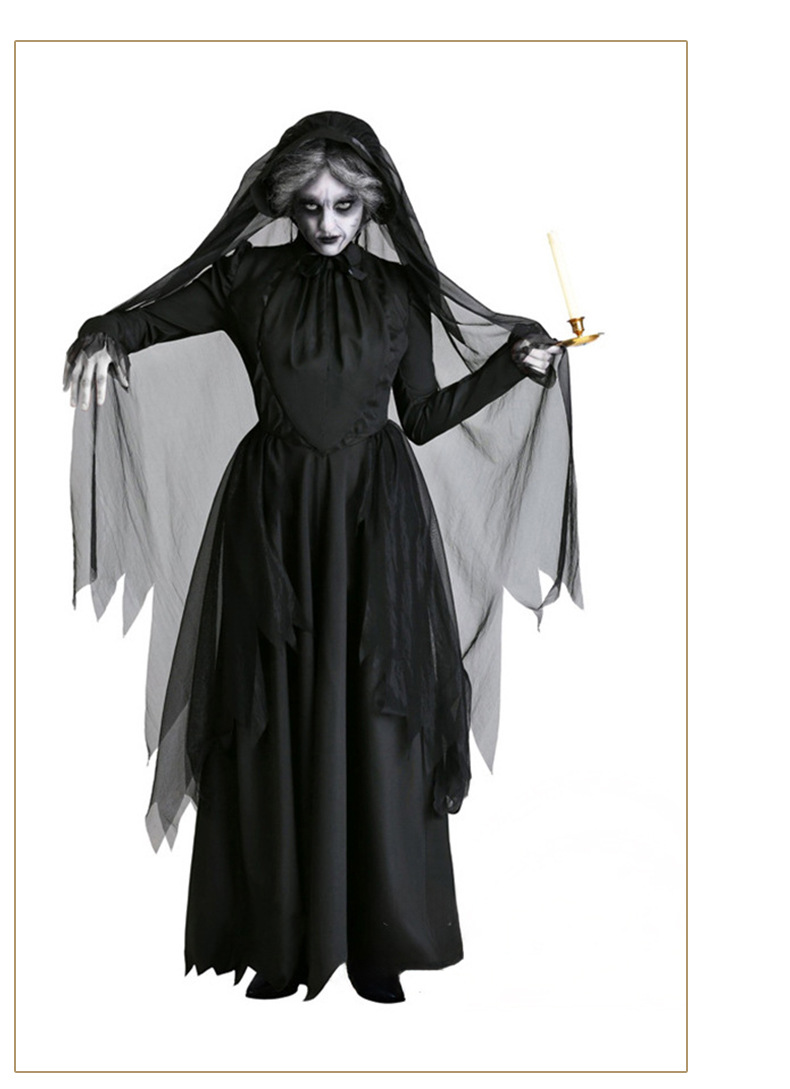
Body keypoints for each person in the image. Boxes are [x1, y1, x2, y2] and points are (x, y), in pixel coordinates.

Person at [63, 111, 582, 1004]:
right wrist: (104, 335)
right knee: (271, 709)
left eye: (344, 205)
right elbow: (145, 319)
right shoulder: (246, 278)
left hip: (376, 520)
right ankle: (278, 943)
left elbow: (422, 416)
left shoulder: (398, 291)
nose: (327, 221)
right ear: (285, 204)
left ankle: (381, 945)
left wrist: (514, 369)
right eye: (308, 206)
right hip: (272, 520)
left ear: (371, 201)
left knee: (378, 712)